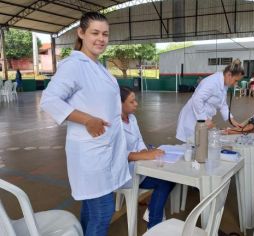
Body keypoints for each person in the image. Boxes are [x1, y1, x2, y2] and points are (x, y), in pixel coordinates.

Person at [40, 12, 131, 235]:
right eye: (95, 33)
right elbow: (49, 100)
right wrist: (87, 120)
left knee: (91, 209)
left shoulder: (98, 66)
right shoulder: (74, 65)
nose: (101, 39)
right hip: (90, 151)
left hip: (104, 147)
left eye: (105, 34)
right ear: (81, 33)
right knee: (102, 212)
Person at [120, 86, 175, 229]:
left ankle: (152, 211)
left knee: (170, 175)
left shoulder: (131, 118)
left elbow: (138, 140)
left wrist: (146, 151)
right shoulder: (113, 123)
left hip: (137, 166)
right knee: (165, 182)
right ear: (119, 103)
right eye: (132, 102)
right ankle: (154, 226)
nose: (136, 104)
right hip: (123, 173)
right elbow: (118, 154)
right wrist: (144, 156)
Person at [176, 59, 245, 142]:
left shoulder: (224, 84)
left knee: (200, 146)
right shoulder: (212, 82)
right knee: (193, 147)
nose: (235, 84)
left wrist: (232, 120)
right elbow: (197, 99)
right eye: (236, 80)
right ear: (229, 74)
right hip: (192, 118)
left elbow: (222, 104)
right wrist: (204, 119)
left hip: (202, 119)